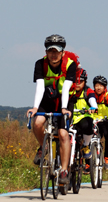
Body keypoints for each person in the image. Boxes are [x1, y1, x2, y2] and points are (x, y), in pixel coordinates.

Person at [27, 34, 76, 186]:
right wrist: (35, 107)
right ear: (46, 52)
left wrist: (63, 108)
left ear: (62, 52)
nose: (54, 55)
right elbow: (40, 86)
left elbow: (67, 87)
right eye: (50, 51)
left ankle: (64, 170)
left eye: (57, 51)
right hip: (47, 98)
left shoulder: (70, 65)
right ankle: (44, 147)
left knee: (63, 134)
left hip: (65, 100)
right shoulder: (40, 64)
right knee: (37, 123)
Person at [68, 68, 98, 165]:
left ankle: (86, 146)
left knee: (87, 124)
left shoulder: (87, 91)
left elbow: (92, 98)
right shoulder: (68, 90)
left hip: (83, 117)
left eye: (80, 81)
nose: (78, 83)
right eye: (75, 81)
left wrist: (93, 107)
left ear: (85, 82)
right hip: (71, 117)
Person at [92, 75, 108, 170]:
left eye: (101, 85)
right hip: (93, 120)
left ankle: (107, 157)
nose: (98, 87)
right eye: (97, 85)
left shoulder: (107, 96)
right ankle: (88, 163)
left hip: (105, 120)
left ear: (105, 87)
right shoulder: (91, 95)